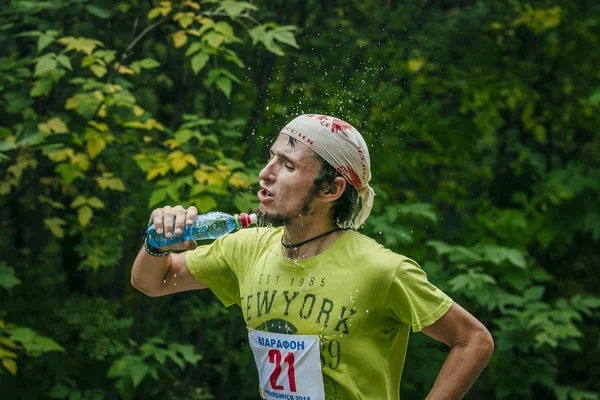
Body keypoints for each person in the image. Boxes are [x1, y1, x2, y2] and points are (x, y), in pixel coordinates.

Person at [131, 114, 494, 400]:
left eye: (287, 166)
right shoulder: (246, 248)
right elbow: (151, 282)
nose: (265, 174)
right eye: (271, 157)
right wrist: (157, 243)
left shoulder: (381, 269)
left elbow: (473, 340)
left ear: (331, 189)